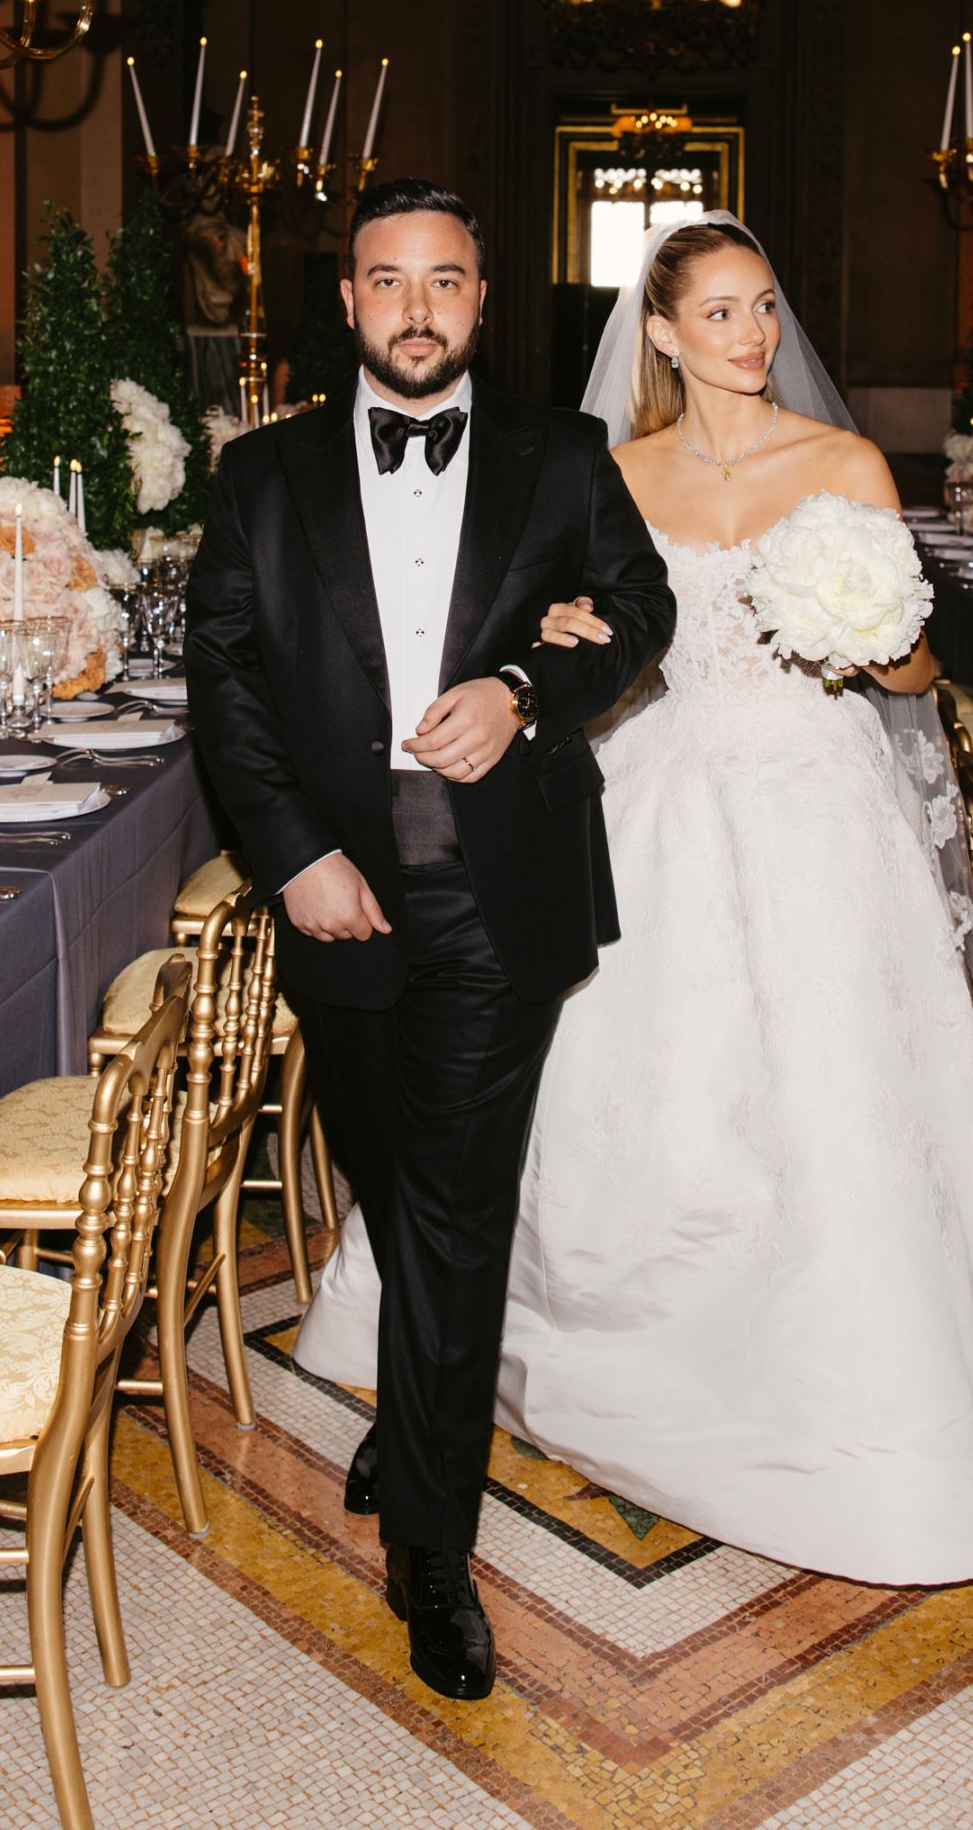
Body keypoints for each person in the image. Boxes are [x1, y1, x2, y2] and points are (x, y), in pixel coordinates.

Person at [297, 212, 973, 1586]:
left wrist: (874, 627)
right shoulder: (612, 469)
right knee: (618, 1085)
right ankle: (527, 1354)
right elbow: (598, 655)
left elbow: (917, 686)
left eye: (765, 307)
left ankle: (849, 1396)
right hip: (665, 793)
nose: (753, 336)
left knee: (832, 1108)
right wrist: (562, 644)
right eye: (721, 313)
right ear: (660, 333)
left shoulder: (845, 463)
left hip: (819, 807)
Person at [183, 178, 674, 1700]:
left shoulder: (561, 455)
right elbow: (227, 689)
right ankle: (413, 1418)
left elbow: (644, 609)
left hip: (496, 891)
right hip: (336, 889)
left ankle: (433, 1552)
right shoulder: (259, 477)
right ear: (347, 303)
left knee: (455, 1213)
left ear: (482, 301)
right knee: (392, 1183)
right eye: (386, 280)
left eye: (445, 281)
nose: (415, 307)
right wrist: (296, 860)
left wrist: (530, 689)